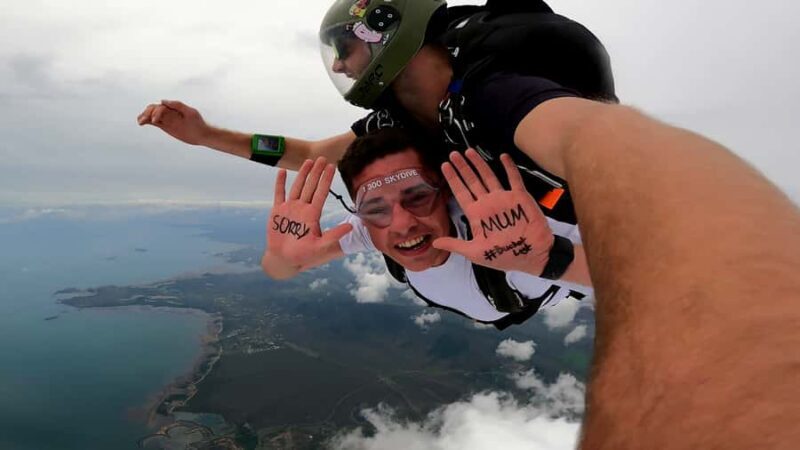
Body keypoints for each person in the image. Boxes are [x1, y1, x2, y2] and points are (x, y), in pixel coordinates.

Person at [137, 0, 615, 224]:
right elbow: (313, 155)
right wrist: (206, 136)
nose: (339, 66)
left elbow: (591, 144)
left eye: (344, 48)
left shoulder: (495, 91)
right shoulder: (402, 116)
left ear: (386, 30)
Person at [262, 127, 592, 329]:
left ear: (445, 192)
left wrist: (545, 260)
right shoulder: (368, 228)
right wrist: (282, 257)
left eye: (418, 196)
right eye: (375, 208)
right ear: (361, 214)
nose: (402, 223)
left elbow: (619, 276)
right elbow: (280, 270)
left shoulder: (514, 235)